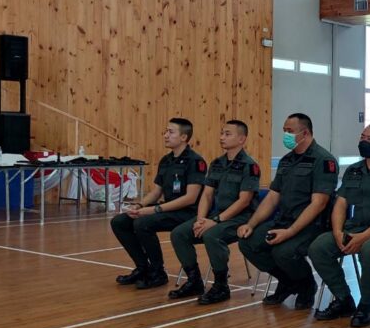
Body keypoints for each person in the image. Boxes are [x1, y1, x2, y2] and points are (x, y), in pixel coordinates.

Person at [307, 123, 370, 327]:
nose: (364, 142)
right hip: (355, 228)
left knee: (369, 249)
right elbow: (341, 203)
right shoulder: (353, 170)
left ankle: (366, 305)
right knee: (319, 247)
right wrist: (338, 232)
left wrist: (363, 237)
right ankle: (344, 299)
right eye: (362, 137)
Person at [237, 113, 337, 309]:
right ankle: (289, 281)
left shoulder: (323, 160)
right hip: (284, 220)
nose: (285, 135)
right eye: (284, 131)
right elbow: (273, 197)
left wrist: (290, 232)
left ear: (305, 133)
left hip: (311, 225)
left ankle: (306, 286)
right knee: (248, 243)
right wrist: (251, 224)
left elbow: (319, 203)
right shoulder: (287, 160)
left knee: (283, 252)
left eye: (290, 131)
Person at [168, 120, 261, 305]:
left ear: (241, 139)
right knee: (179, 233)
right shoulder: (217, 163)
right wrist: (201, 219)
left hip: (240, 218)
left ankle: (221, 286)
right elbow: (207, 195)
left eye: (227, 134)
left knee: (212, 235)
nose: (222, 137)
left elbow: (244, 201)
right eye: (221, 133)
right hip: (216, 216)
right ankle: (194, 281)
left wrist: (216, 221)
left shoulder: (249, 166)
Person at [110, 118, 206, 290]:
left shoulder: (195, 161)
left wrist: (154, 210)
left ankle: (158, 272)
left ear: (184, 137)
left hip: (188, 212)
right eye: (165, 131)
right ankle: (143, 268)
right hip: (168, 209)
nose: (166, 135)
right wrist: (139, 206)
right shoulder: (166, 160)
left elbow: (190, 198)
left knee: (143, 223)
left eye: (171, 132)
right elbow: (156, 192)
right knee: (120, 222)